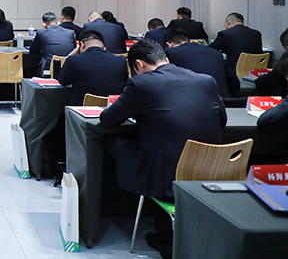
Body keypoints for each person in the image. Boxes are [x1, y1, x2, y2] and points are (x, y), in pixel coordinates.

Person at [100, 39, 226, 256]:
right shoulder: (206, 80)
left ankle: (163, 237)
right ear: (165, 59)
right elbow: (221, 120)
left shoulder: (141, 84)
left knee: (115, 143)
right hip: (213, 170)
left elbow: (108, 120)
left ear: (138, 65)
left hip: (168, 173)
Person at [56, 30, 128, 106]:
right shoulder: (121, 61)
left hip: (82, 109)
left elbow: (62, 81)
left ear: (82, 45)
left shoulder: (73, 61)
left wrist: (71, 55)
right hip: (112, 109)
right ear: (104, 48)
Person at [163, 28, 239, 99]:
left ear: (169, 45)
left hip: (192, 103)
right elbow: (235, 84)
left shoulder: (170, 54)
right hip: (224, 103)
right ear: (190, 41)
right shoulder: (216, 54)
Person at [29, 12, 76, 76]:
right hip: (68, 69)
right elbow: (74, 50)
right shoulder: (70, 33)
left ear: (44, 24)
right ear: (58, 23)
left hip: (48, 70)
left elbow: (33, 50)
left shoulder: (41, 33)